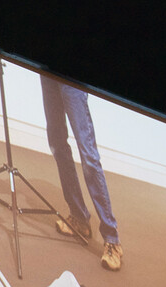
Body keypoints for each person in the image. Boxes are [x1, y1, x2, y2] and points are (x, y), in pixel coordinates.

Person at [41, 75, 123, 271]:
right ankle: (79, 218)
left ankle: (112, 239)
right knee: (57, 145)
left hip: (73, 79)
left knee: (89, 157)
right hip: (47, 74)